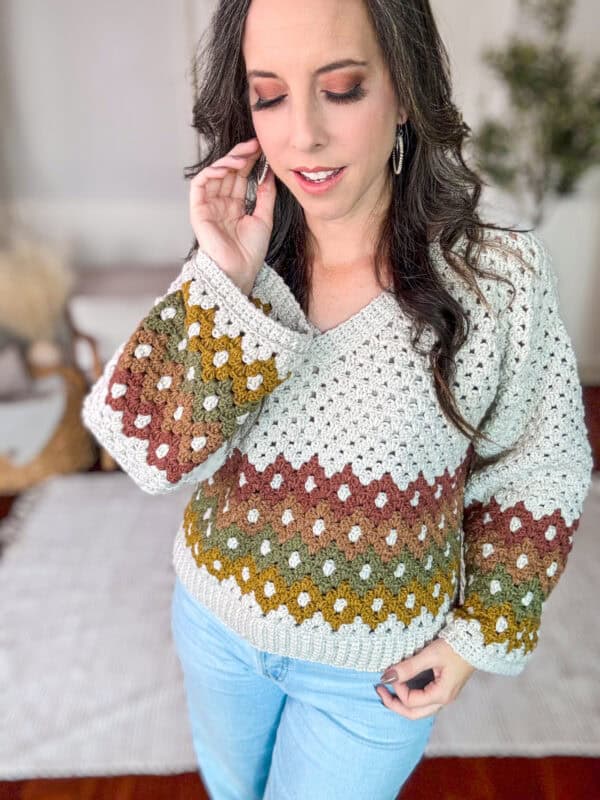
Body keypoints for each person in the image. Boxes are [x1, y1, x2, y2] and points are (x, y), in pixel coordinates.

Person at [81, 0, 594, 797]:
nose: (303, 136)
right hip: (217, 626)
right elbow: (145, 452)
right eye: (270, 95)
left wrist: (477, 636)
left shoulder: (497, 278)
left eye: (343, 88)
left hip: (373, 676)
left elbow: (544, 469)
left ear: (404, 90)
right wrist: (225, 278)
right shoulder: (246, 261)